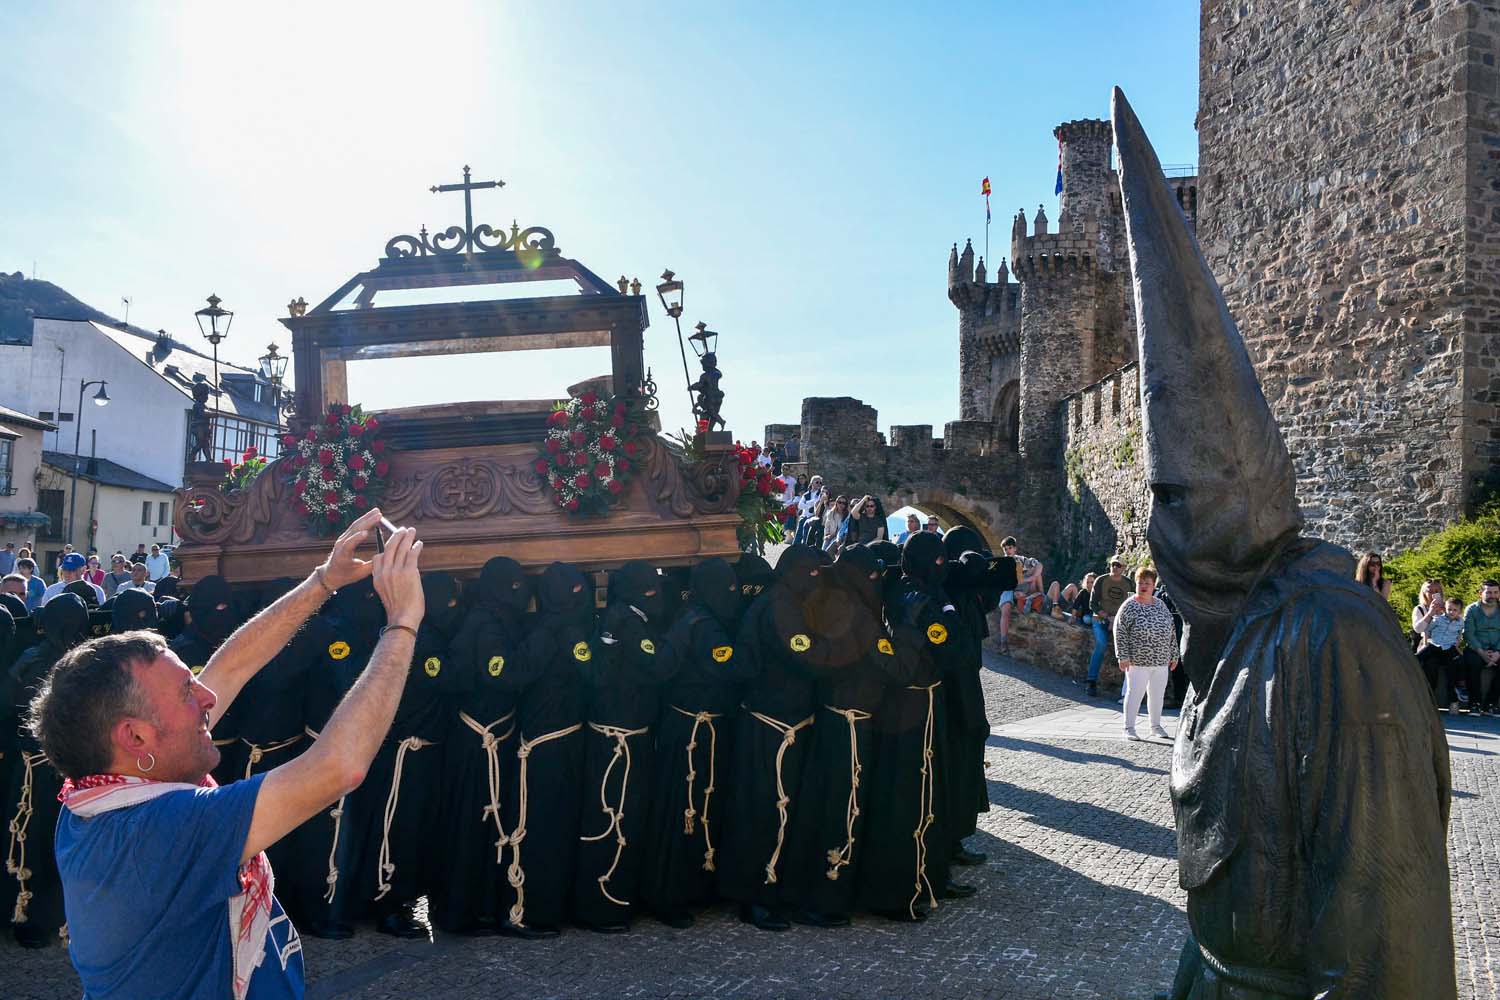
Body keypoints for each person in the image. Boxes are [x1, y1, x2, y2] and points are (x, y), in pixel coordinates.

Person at [1113, 89, 1454, 998]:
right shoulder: (1237, 628)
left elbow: (1387, 946)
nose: (1166, 528)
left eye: (1181, 498)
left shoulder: (1332, 643)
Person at [35, 508, 420, 999]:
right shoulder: (160, 830)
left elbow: (231, 668)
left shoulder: (101, 793)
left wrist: (325, 580)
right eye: (185, 694)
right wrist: (402, 624)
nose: (208, 699)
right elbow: (338, 766)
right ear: (135, 739)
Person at [719, 546, 829, 931]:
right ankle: (755, 896)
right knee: (762, 812)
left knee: (785, 812)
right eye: (814, 573)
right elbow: (804, 656)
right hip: (769, 726)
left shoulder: (790, 602)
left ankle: (780, 888)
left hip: (789, 722)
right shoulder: (780, 606)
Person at [639, 557, 750, 928]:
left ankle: (684, 886)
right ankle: (671, 893)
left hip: (683, 728)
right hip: (694, 733)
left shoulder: (690, 615)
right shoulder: (707, 627)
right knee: (685, 811)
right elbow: (731, 669)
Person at [572, 561, 676, 932]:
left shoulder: (622, 615)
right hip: (621, 740)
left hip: (618, 733)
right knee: (614, 819)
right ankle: (604, 906)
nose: (655, 595)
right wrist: (679, 637)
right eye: (649, 589)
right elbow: (661, 664)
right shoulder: (630, 622)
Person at [431, 557, 530, 936]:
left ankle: (476, 907)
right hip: (479, 745)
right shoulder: (487, 624)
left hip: (483, 739)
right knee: (474, 828)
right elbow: (499, 675)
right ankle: (465, 910)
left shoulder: (485, 618)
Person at [501, 562, 593, 938]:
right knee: (541, 832)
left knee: (563, 830)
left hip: (569, 740)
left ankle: (555, 904)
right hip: (544, 748)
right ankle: (527, 909)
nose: (580, 598)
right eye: (572, 592)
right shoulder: (545, 632)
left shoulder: (569, 629)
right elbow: (518, 673)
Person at [4, 594, 91, 947]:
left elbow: (8, 703)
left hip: (36, 771)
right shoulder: (88, 663)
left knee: (29, 842)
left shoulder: (33, 659)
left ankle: (31, 919)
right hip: (75, 770)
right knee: (63, 843)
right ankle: (63, 919)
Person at [1112, 566, 1177, 740]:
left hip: (1161, 660)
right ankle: (1129, 728)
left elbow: (1171, 630)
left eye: (1147, 583)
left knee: (1157, 696)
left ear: (1153, 585)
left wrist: (1174, 654)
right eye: (1140, 582)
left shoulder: (1161, 605)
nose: (1143, 586)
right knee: (1135, 694)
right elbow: (1120, 631)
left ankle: (1155, 726)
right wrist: (1122, 656)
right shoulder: (1129, 606)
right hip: (1137, 661)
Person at [1085, 558, 1132, 697]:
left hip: (1120, 621)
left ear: (1123, 568)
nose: (1114, 567)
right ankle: (1091, 681)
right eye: (1112, 564)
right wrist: (1107, 617)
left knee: (1130, 647)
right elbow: (1092, 604)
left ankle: (1128, 689)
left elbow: (1132, 604)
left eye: (1118, 565)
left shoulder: (1129, 584)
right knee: (1101, 643)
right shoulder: (1101, 580)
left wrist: (1117, 619)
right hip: (1100, 618)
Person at [1415, 594, 1466, 712]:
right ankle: (1411, 664)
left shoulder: (1460, 623)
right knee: (1422, 655)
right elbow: (1427, 630)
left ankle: (1456, 695)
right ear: (1445, 609)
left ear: (1459, 611)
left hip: (1449, 646)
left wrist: (1457, 642)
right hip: (1435, 644)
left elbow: (1459, 634)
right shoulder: (1438, 619)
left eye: (1455, 610)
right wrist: (1426, 642)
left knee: (1456, 663)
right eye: (1449, 609)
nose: (1451, 612)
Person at [1462, 580, 1500, 717]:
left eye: (1495, 592)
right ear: (1480, 593)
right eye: (1488, 592)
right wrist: (1482, 653)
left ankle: (1491, 704)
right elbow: (1468, 634)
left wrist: (1498, 653)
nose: (1492, 595)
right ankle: (1475, 704)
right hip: (1476, 648)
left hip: (1497, 649)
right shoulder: (1472, 609)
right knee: (1473, 664)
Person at [40, 552, 105, 607]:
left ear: (83, 570)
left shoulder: (97, 591)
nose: (67, 573)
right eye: (65, 569)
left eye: (72, 569)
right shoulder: (51, 591)